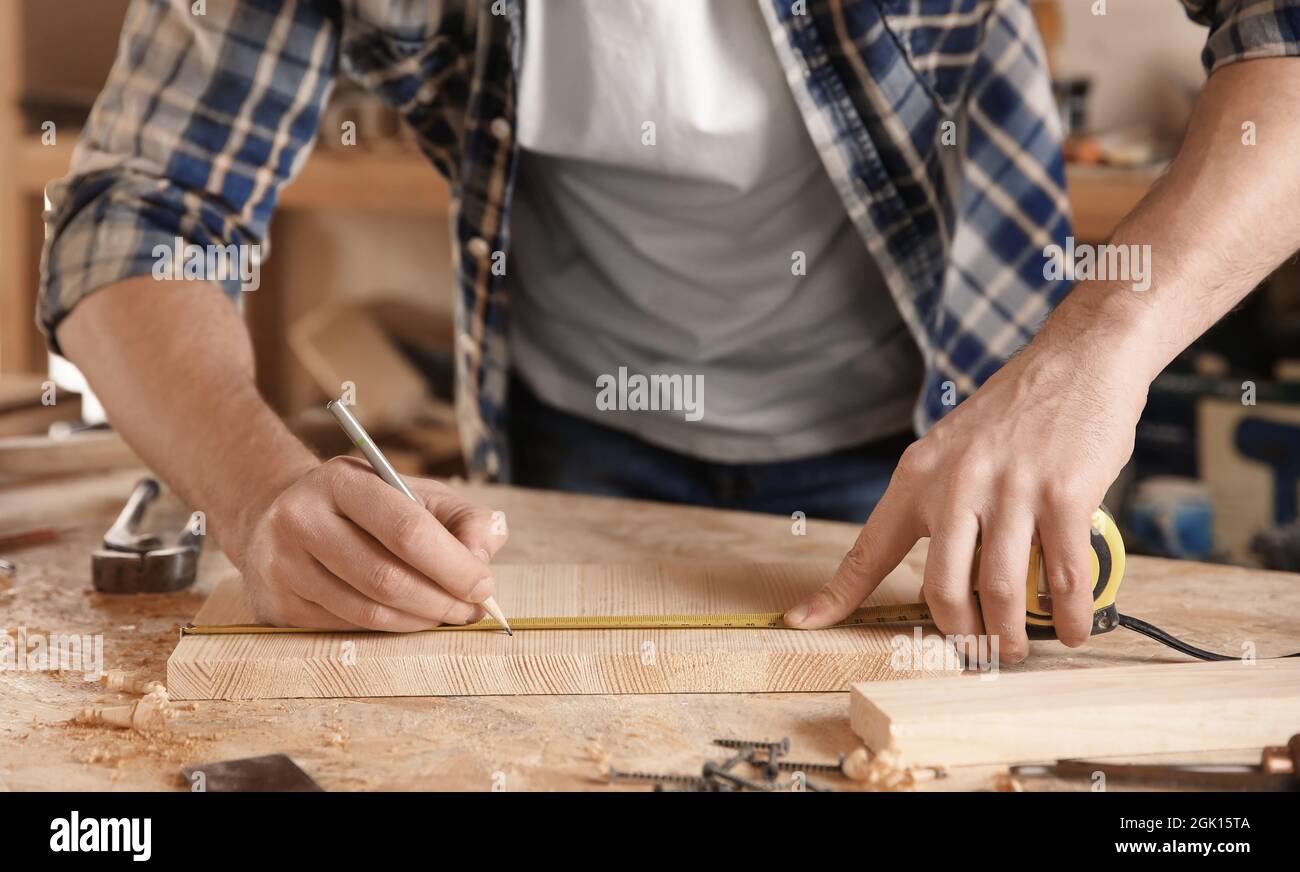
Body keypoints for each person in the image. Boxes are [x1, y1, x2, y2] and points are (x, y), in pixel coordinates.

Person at [40, 0, 1300, 660]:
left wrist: (1098, 351)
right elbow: (140, 213)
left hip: (951, 436)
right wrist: (259, 497)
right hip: (573, 443)